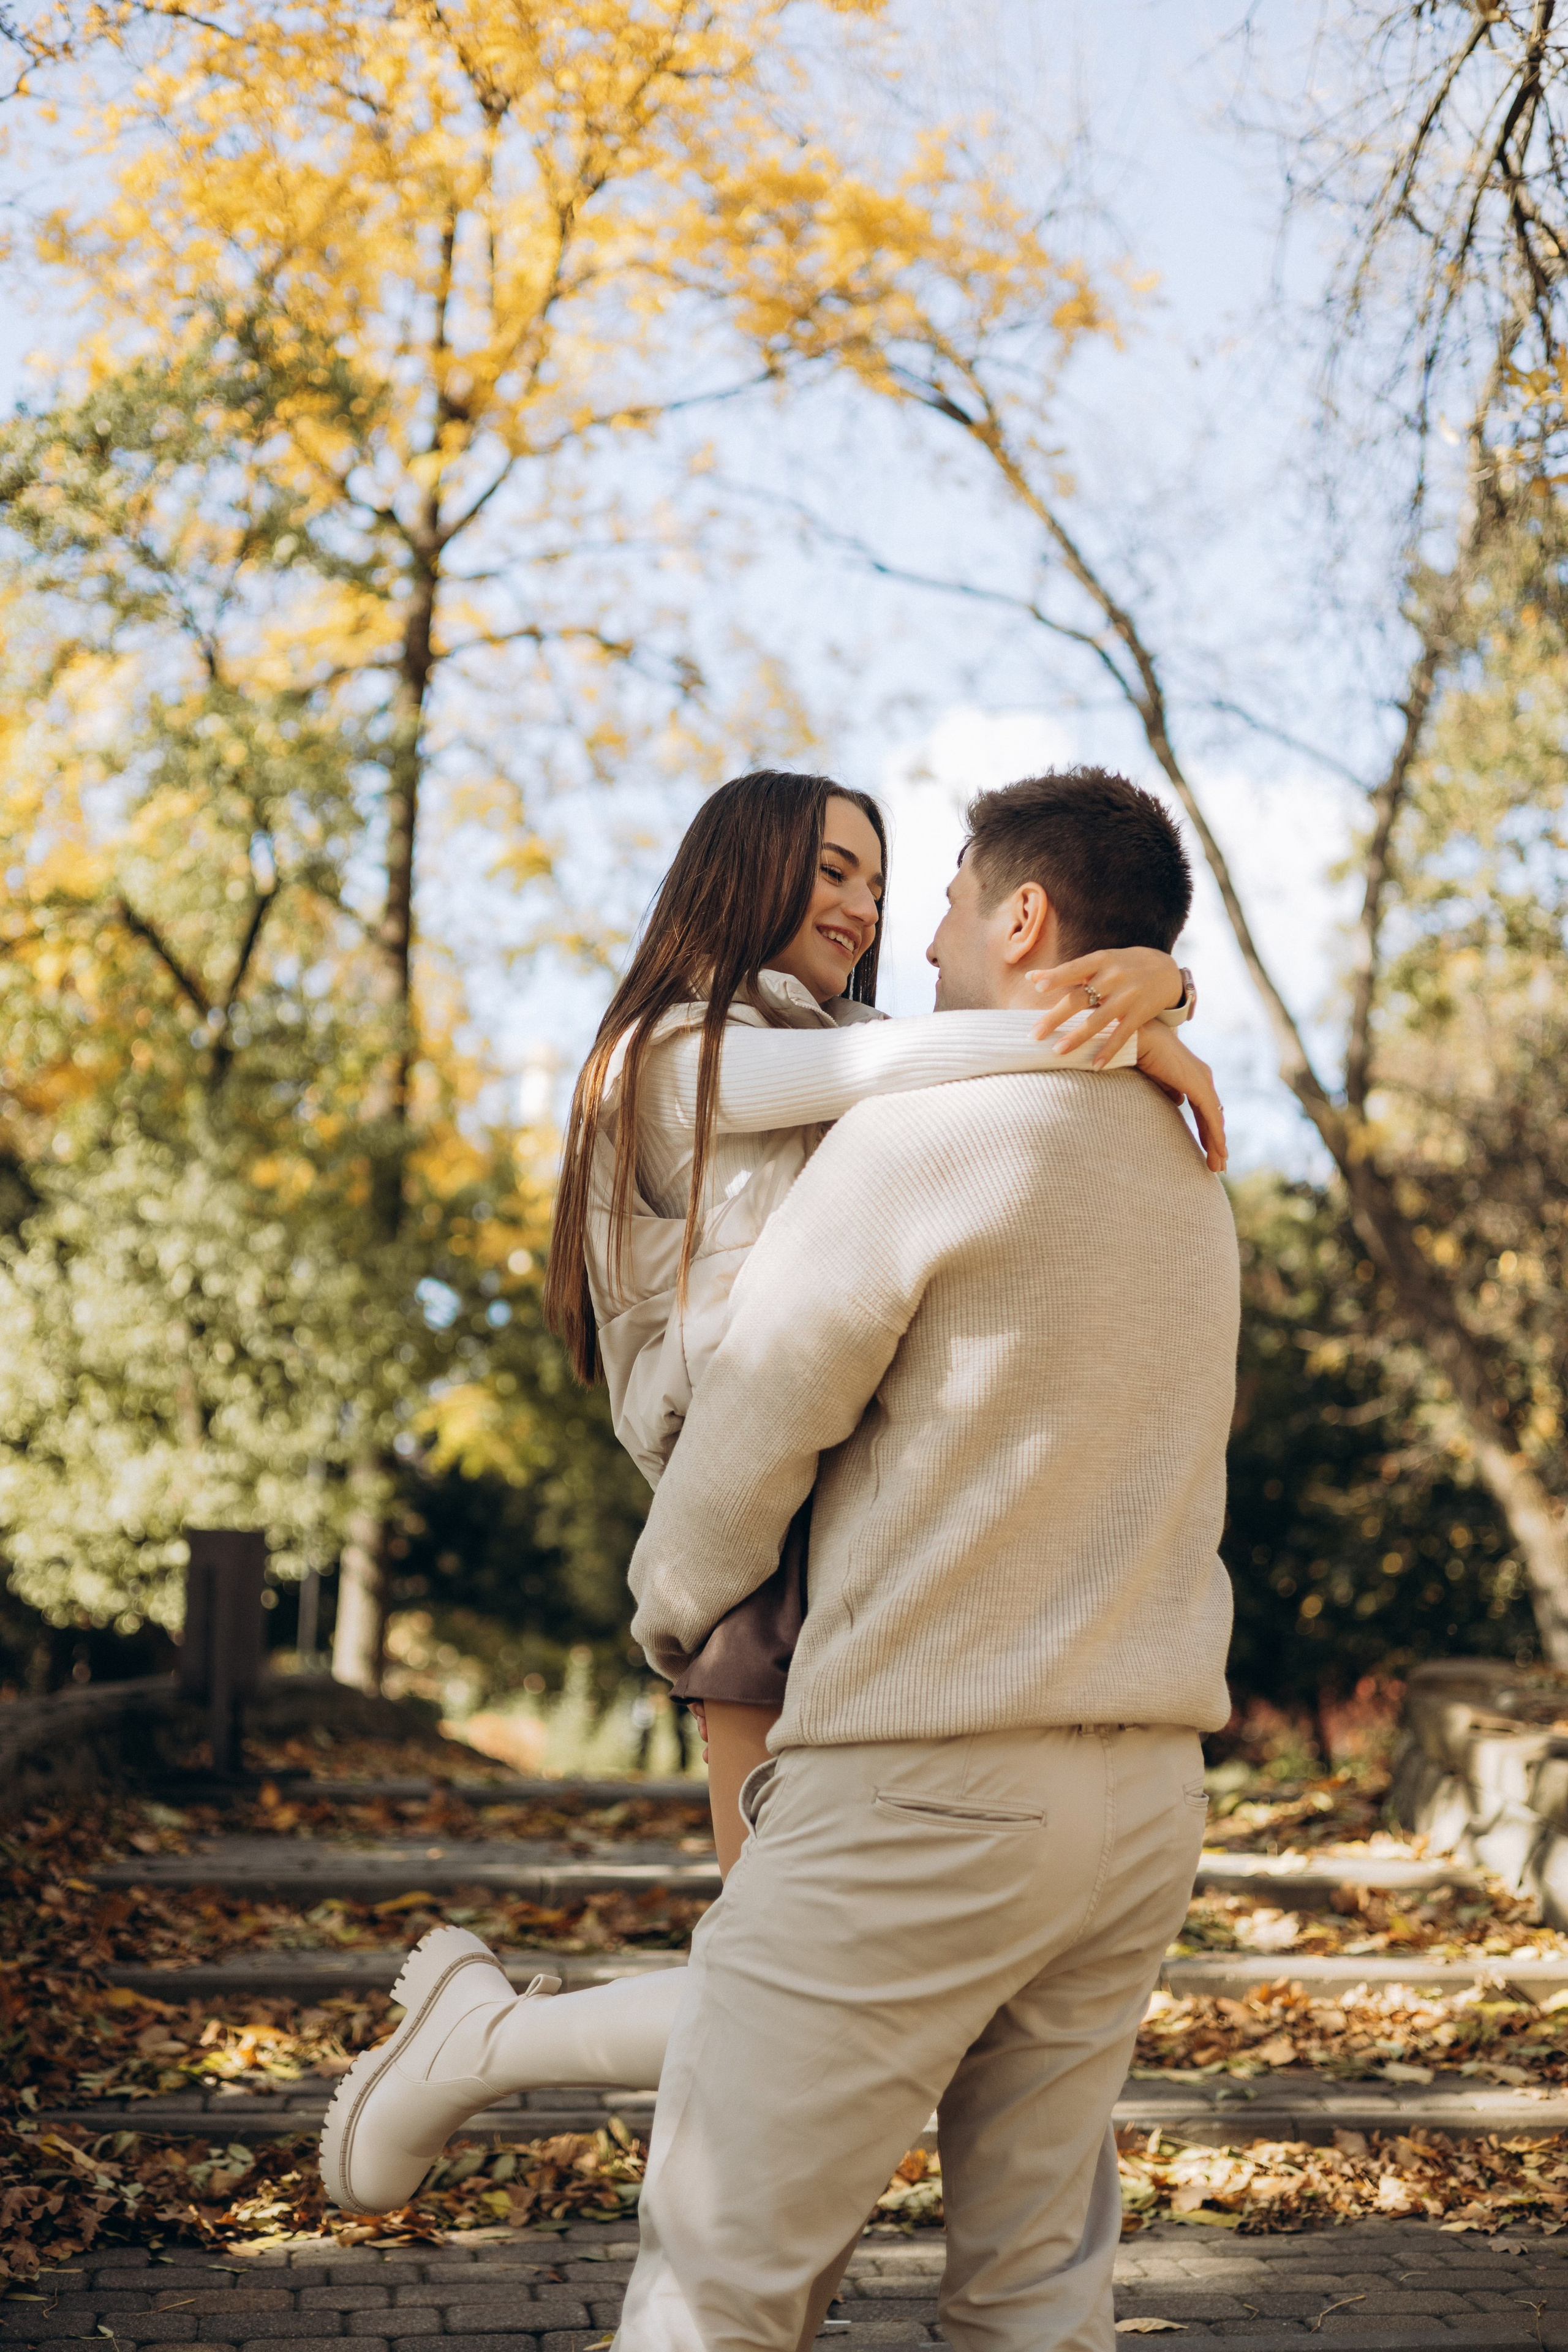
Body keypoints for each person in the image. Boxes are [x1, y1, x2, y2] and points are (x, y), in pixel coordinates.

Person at [317, 767, 1226, 2220]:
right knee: (768, 1968)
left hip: (864, 1520)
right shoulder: (669, 1057)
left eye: (881, 881)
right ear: (741, 874)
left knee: (803, 1981)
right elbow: (912, 1072)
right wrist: (1117, 1024)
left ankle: (476, 2047)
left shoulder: (868, 1035)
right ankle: (475, 2050)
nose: (865, 910)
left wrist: (1150, 992)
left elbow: (955, 1048)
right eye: (832, 872)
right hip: (746, 1534)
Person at [612, 767, 1242, 2351]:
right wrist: (1157, 998)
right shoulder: (1189, 1159)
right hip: (1147, 1793)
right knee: (1037, 2296)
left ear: (1021, 916)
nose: (913, 926)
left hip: (929, 1780)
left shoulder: (918, 1136)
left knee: (720, 2279)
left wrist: (671, 1610)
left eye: (941, 893)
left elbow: (756, 1431)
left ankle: (468, 2044)